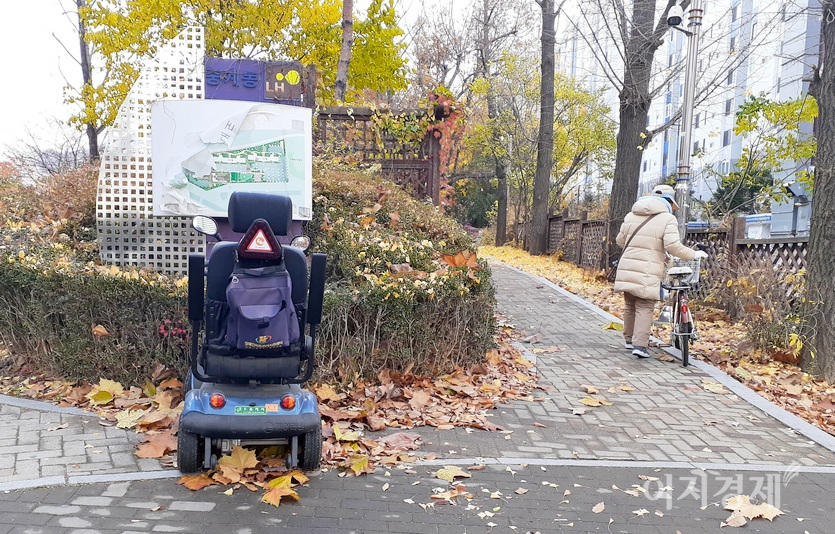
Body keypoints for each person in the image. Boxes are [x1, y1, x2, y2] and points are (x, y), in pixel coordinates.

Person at [613, 184, 708, 358]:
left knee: (630, 304)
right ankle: (640, 346)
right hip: (649, 268)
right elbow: (672, 246)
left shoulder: (631, 215)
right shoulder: (667, 219)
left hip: (627, 266)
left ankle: (629, 340)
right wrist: (693, 254)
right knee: (645, 305)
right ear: (669, 202)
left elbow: (620, 241)